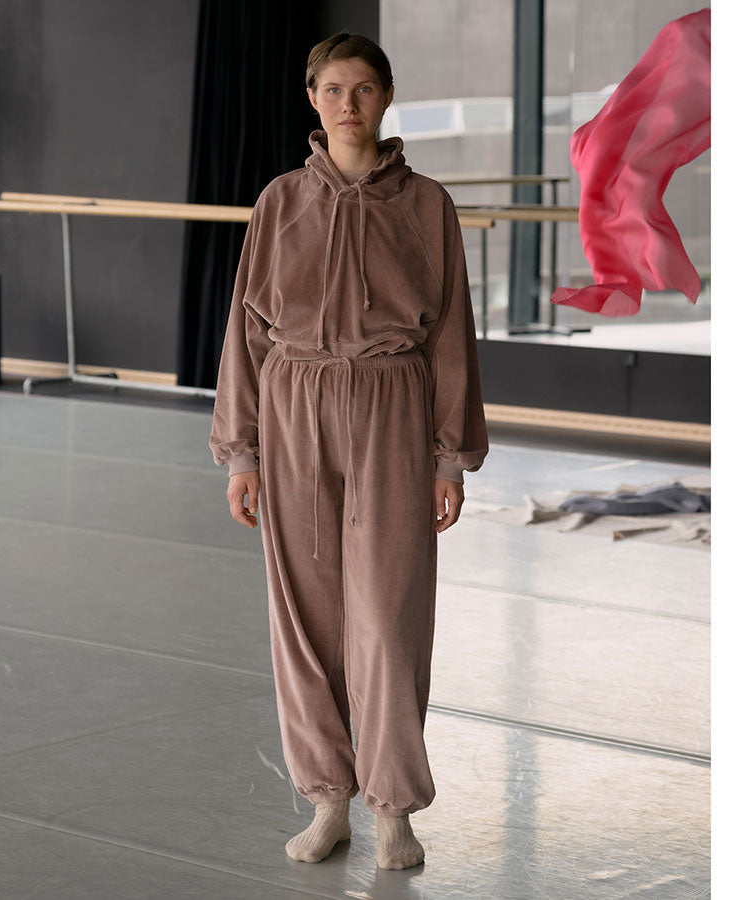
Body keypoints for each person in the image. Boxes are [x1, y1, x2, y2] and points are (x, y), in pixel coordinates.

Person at [208, 31, 489, 870]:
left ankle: (394, 807)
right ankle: (327, 798)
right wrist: (242, 451)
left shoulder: (427, 205)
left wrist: (449, 458)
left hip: (392, 406)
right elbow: (246, 333)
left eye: (363, 89)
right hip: (293, 407)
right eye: (332, 89)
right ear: (313, 98)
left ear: (386, 95)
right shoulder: (279, 202)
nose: (348, 104)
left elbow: (451, 336)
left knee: (390, 614)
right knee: (304, 618)